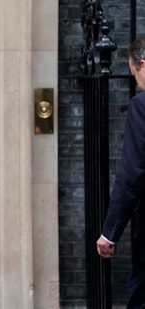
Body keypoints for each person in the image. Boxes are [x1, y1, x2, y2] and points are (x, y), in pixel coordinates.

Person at [97, 38, 145, 308]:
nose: (136, 81)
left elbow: (132, 174)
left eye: (134, 74)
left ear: (143, 65)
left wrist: (110, 232)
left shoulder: (142, 105)